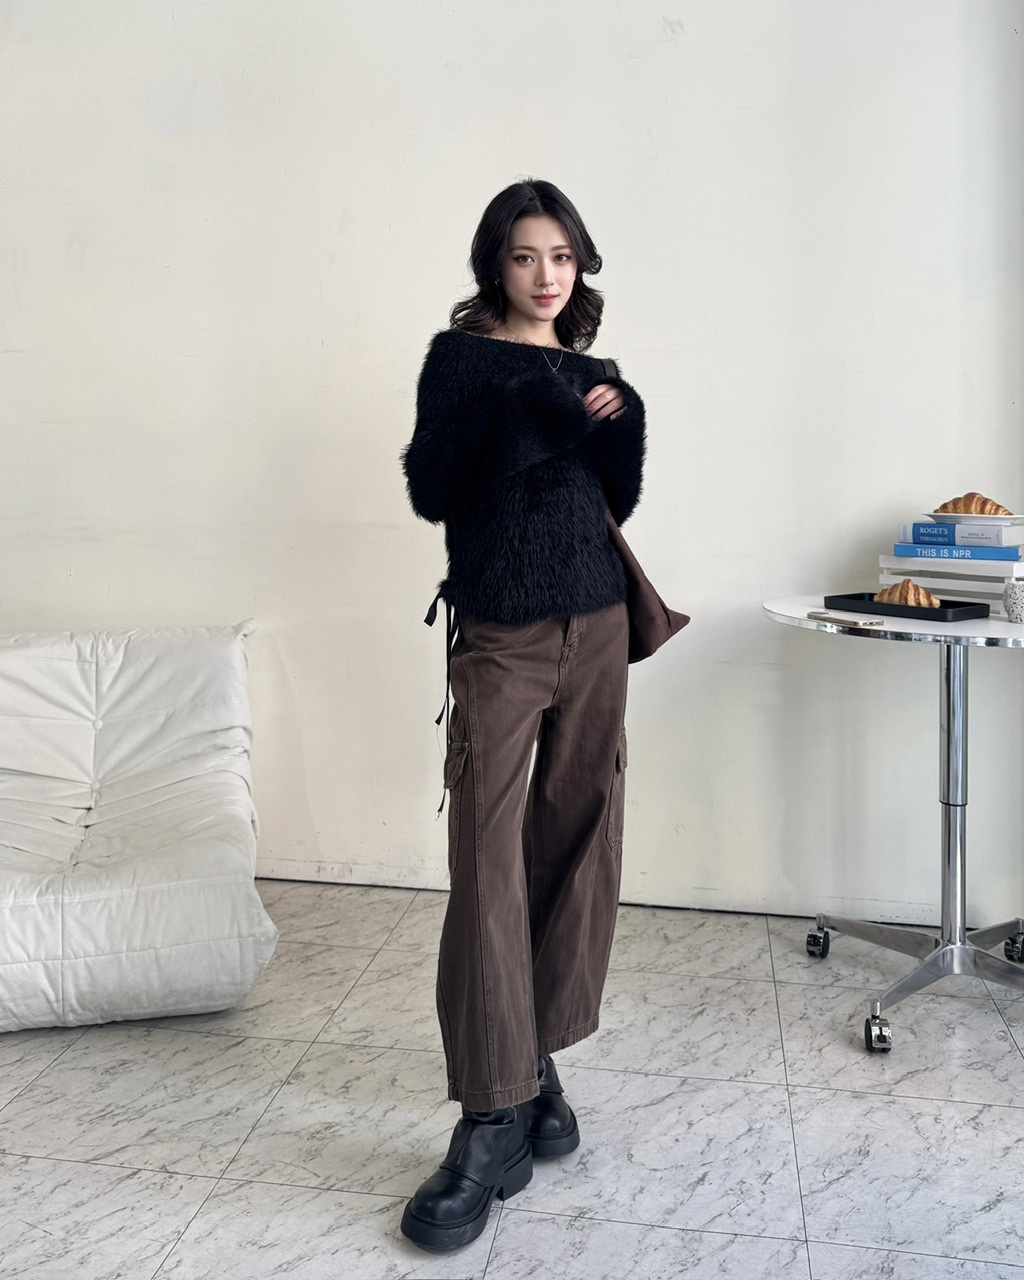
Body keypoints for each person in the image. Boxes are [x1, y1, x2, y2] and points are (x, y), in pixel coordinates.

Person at [400, 178, 645, 1253]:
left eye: (562, 257)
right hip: (502, 631)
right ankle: (490, 1116)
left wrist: (622, 425)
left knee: (575, 844)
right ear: (493, 265)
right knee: (487, 859)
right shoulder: (462, 362)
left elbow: (610, 502)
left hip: (598, 623)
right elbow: (433, 487)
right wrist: (534, 416)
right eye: (524, 256)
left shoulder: (593, 369)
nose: (547, 275)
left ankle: (535, 1061)